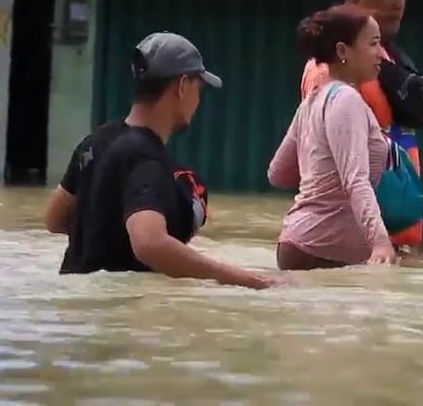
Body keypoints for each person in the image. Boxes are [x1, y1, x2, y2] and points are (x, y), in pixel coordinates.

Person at [59, 31, 275, 289]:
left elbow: (54, 218)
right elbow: (150, 244)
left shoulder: (95, 141)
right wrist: (244, 279)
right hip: (117, 311)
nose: (198, 100)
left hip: (78, 304)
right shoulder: (148, 160)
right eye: (199, 88)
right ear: (182, 86)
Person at [299, 0, 423, 253]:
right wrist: (378, 243)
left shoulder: (383, 61)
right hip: (360, 246)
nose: (399, 3)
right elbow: (347, 173)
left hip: (396, 237)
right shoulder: (329, 70)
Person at [268, 4, 401, 270]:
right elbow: (356, 181)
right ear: (342, 51)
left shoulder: (312, 101)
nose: (381, 55)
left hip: (295, 245)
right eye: (373, 44)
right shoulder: (347, 100)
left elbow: (278, 174)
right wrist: (381, 242)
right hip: (323, 252)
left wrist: (321, 175)